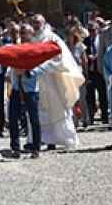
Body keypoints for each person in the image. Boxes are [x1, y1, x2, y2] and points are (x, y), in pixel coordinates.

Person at [31, 15, 84, 151]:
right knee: (39, 111)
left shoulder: (52, 38)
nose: (35, 25)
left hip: (52, 79)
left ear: (44, 23)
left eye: (38, 22)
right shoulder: (32, 39)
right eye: (34, 23)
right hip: (36, 81)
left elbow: (61, 58)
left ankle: (67, 139)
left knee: (58, 109)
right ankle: (42, 140)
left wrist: (43, 67)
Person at [5, 23, 42, 160]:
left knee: (33, 118)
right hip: (16, 87)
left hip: (30, 89)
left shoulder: (36, 49)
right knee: (13, 118)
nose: (22, 34)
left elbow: (41, 67)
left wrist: (27, 72)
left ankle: (36, 148)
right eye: (21, 32)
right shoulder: (16, 47)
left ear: (31, 35)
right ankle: (15, 148)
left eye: (25, 32)